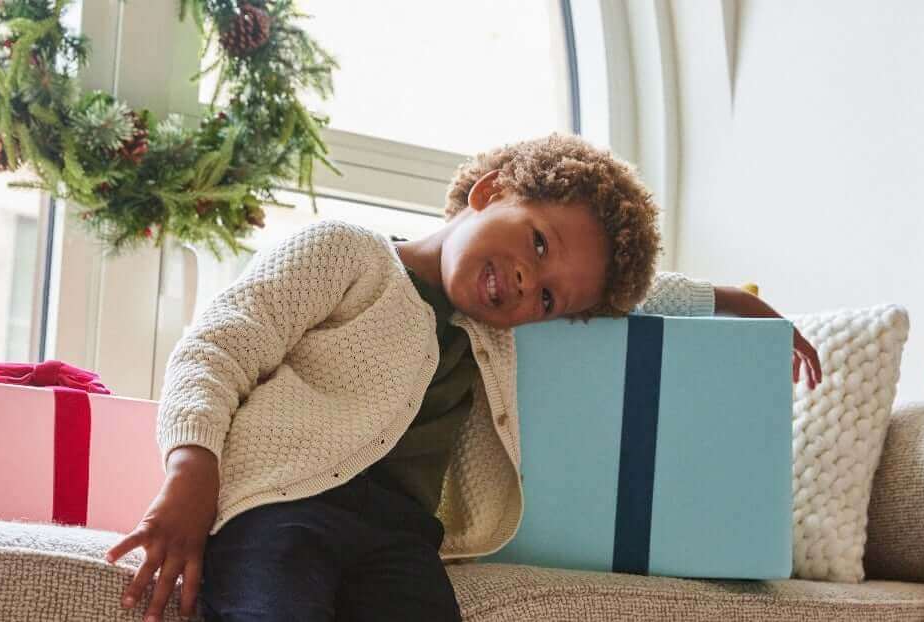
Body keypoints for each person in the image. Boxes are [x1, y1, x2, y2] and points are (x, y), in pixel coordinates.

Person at [105, 133, 822, 621]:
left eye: (548, 297)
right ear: (489, 190)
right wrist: (189, 473)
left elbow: (638, 297)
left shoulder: (496, 336)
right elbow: (218, 346)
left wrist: (740, 303)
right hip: (282, 506)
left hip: (400, 535)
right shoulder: (347, 255)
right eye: (537, 243)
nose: (526, 280)